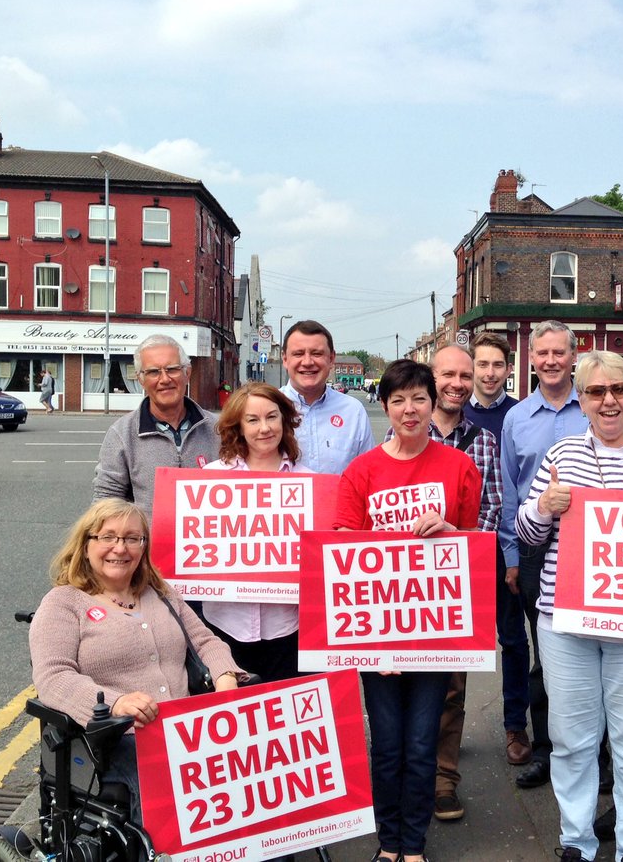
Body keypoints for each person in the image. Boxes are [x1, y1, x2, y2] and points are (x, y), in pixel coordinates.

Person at [515, 350, 623, 862]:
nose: (609, 401)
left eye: (618, 390)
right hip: (563, 620)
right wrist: (543, 508)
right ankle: (577, 840)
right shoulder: (563, 454)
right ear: (582, 399)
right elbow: (528, 534)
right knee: (571, 739)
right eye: (596, 392)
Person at [334, 359, 482, 862]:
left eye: (419, 398)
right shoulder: (361, 472)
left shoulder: (459, 467)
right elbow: (344, 551)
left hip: (434, 631)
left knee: (422, 744)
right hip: (376, 633)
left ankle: (413, 845)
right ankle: (388, 841)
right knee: (388, 743)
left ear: (433, 403)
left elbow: (473, 551)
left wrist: (452, 532)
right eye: (398, 400)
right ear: (385, 407)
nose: (410, 409)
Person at [29, 498, 242, 824]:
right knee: (177, 791)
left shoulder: (160, 593)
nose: (120, 547)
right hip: (116, 741)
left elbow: (205, 641)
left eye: (132, 538)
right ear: (86, 545)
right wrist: (116, 704)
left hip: (187, 733)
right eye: (107, 537)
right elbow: (53, 676)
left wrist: (226, 676)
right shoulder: (64, 603)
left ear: (143, 547)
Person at [499, 321, 588, 789]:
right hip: (536, 551)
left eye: (559, 352)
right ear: (530, 359)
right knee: (545, 656)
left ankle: (601, 756)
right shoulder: (517, 418)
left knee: (600, 652)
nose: (551, 360)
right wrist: (512, 554)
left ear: (575, 356)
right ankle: (547, 751)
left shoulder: (594, 406)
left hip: (593, 550)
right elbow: (512, 493)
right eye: (542, 353)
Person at [416, 346, 503, 822]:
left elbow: (492, 515)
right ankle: (409, 775)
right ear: (432, 378)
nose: (458, 383)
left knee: (451, 688)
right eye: (448, 373)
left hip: (458, 586)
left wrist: (457, 536)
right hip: (405, 587)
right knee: (404, 686)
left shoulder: (485, 442)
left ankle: (444, 778)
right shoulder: (402, 432)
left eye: (465, 375)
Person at [200, 382, 309, 683]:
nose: (264, 428)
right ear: (238, 426)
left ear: (285, 420)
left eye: (272, 417)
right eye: (253, 420)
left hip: (287, 627)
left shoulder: (311, 483)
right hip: (224, 624)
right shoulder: (210, 479)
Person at [463, 332, 531, 771]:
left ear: (509, 369)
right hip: (455, 545)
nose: (489, 373)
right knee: (452, 642)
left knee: (512, 638)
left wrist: (509, 553)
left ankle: (514, 725)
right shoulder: (452, 410)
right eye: (481, 365)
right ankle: (446, 729)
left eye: (496, 365)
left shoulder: (518, 415)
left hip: (504, 543)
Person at [93, 335, 218, 516]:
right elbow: (106, 501)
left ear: (187, 373)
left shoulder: (220, 429)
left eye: (172, 369)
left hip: (207, 542)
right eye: (153, 372)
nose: (165, 379)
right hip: (150, 544)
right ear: (140, 379)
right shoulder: (122, 433)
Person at [281, 319, 374, 474]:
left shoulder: (353, 411)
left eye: (317, 353)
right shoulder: (267, 409)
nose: (307, 362)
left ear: (331, 359)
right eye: (298, 354)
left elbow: (367, 473)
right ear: (285, 359)